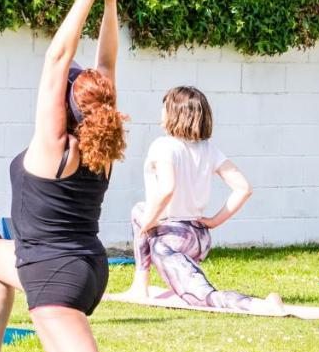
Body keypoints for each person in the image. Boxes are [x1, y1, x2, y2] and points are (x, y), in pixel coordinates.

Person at [0, 0, 236, 352]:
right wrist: (111, 3)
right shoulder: (98, 148)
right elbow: (106, 64)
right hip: (84, 265)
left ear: (64, 106)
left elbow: (56, 59)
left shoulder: (54, 148)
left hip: (54, 274)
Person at [119, 86, 284, 314]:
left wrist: (149, 223)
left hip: (172, 239)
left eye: (164, 108)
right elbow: (243, 188)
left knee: (204, 298)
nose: (161, 113)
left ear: (174, 113)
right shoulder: (208, 149)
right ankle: (140, 286)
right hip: (199, 235)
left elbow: (167, 189)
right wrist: (214, 221)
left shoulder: (163, 145)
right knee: (139, 210)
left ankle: (261, 304)